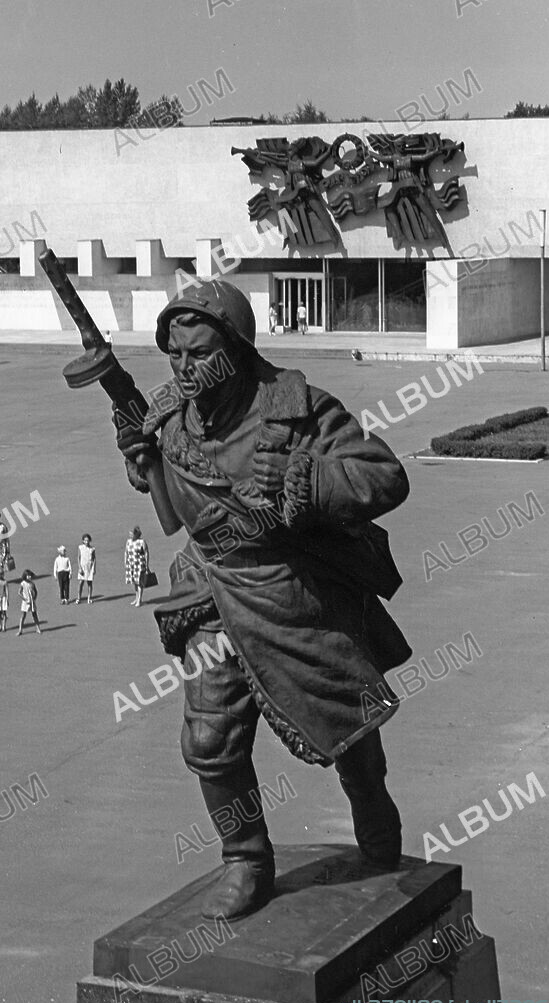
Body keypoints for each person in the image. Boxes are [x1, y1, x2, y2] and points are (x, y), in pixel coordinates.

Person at [112, 278, 411, 921]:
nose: (183, 368)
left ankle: (371, 805)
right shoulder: (167, 412)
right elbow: (169, 491)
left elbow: (387, 477)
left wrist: (307, 475)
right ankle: (244, 857)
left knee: (347, 726)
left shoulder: (298, 410)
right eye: (174, 355)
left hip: (291, 591)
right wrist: (143, 464)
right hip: (211, 590)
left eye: (197, 354)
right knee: (208, 736)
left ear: (238, 348)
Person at [125, 526, 149, 608]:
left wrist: (147, 565)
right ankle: (136, 598)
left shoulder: (142, 542)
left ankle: (139, 599)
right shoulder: (128, 541)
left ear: (136, 535)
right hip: (130, 564)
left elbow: (146, 553)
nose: (130, 535)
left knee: (139, 583)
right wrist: (125, 561)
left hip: (139, 564)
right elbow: (126, 552)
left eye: (131, 534)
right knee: (134, 582)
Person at [17, 569, 41, 636]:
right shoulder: (23, 583)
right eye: (28, 576)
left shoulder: (32, 583)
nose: (29, 577)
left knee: (34, 615)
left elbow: (36, 592)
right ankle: (20, 630)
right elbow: (19, 593)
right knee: (23, 616)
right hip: (25, 602)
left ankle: (38, 628)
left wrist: (34, 598)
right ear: (25, 576)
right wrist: (24, 599)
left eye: (30, 576)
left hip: (32, 602)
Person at [76, 534, 96, 604]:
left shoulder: (92, 549)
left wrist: (94, 569)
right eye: (85, 540)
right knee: (81, 582)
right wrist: (79, 568)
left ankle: (89, 598)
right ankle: (78, 598)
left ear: (89, 540)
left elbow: (94, 559)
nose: (86, 542)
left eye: (87, 540)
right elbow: (78, 558)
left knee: (89, 583)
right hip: (82, 568)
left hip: (89, 568)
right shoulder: (80, 547)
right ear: (83, 541)